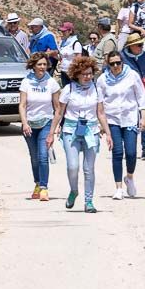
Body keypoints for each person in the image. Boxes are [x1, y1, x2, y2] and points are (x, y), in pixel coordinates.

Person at [48, 55, 110, 213]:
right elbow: (59, 113)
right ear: (77, 74)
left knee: (89, 169)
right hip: (71, 130)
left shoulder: (97, 89)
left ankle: (89, 201)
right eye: (84, 74)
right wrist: (51, 134)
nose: (88, 77)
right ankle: (74, 190)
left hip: (91, 130)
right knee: (73, 166)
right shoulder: (68, 89)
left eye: (90, 73)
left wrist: (108, 134)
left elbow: (101, 113)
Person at [97, 50, 145, 200]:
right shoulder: (102, 80)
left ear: (122, 62)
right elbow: (99, 103)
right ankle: (118, 187)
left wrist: (143, 116)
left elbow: (141, 96)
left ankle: (130, 177)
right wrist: (100, 123)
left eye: (117, 63)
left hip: (130, 117)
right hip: (112, 119)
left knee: (131, 152)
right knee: (117, 152)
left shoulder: (132, 75)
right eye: (112, 63)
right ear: (108, 64)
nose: (115, 66)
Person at [19, 52, 61, 202]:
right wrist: (24, 123)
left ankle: (44, 187)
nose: (42, 67)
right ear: (33, 66)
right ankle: (37, 183)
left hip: (46, 122)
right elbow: (22, 105)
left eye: (44, 64)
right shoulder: (26, 82)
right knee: (35, 158)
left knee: (43, 156)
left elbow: (57, 108)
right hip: (30, 124)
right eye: (39, 64)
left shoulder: (52, 83)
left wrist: (54, 129)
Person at [122, 33, 145, 160]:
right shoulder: (121, 56)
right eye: (139, 45)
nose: (141, 47)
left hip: (142, 92)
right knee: (126, 120)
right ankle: (126, 148)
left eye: (142, 44)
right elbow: (108, 69)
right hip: (126, 93)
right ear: (131, 46)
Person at [57, 22, 84, 86]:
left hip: (72, 73)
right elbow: (61, 57)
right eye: (61, 31)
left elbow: (78, 59)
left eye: (64, 31)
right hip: (63, 71)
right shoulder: (62, 43)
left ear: (70, 31)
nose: (62, 33)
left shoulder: (76, 43)